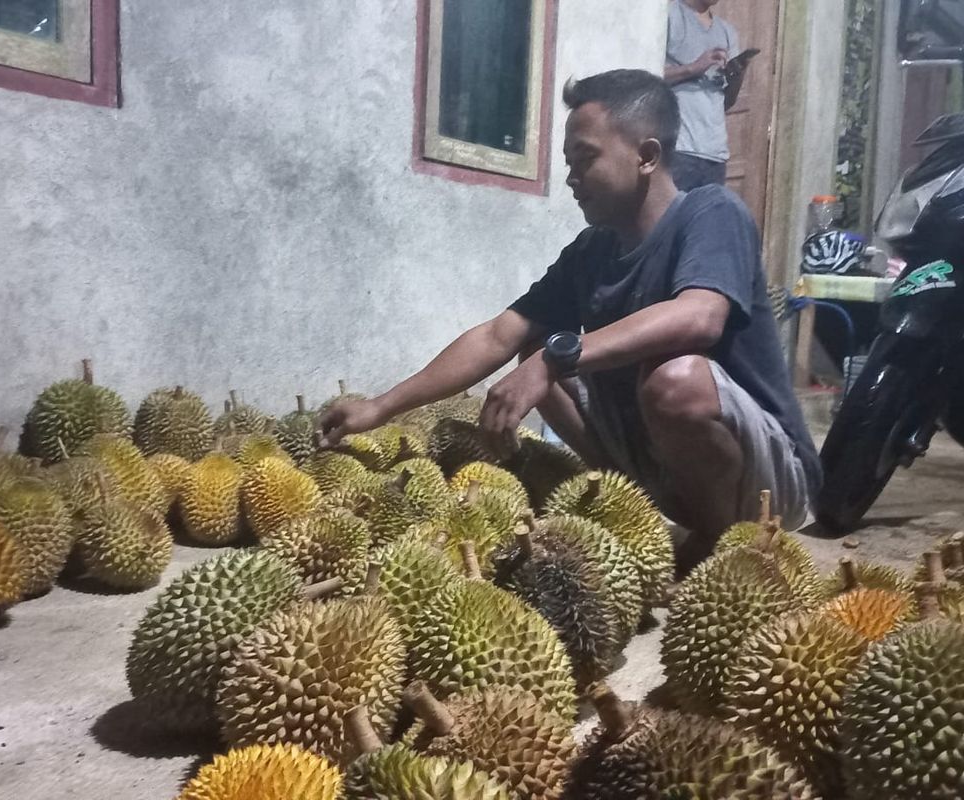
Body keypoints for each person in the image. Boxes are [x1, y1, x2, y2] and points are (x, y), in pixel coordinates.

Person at [319, 69, 820, 568]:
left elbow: (700, 317)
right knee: (529, 349)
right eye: (568, 163)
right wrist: (380, 408)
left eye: (586, 159)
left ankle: (713, 546)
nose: (573, 178)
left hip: (771, 483)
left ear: (646, 156)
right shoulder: (591, 252)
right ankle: (627, 501)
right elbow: (499, 334)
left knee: (674, 380)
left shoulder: (712, 211)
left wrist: (556, 360)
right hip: (662, 468)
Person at [664, 0, 752, 191]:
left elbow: (727, 102)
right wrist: (693, 68)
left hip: (715, 155)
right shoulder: (669, 14)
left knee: (707, 220)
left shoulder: (727, 31)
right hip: (677, 149)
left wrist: (737, 77)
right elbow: (647, 76)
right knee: (673, 219)